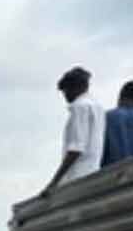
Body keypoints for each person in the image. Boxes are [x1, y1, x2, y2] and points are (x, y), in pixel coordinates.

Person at [42, 66, 106, 197]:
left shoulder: (79, 107)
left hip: (76, 177)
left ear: (75, 88)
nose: (65, 95)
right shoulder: (98, 107)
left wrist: (53, 183)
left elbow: (76, 148)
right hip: (92, 172)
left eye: (65, 90)